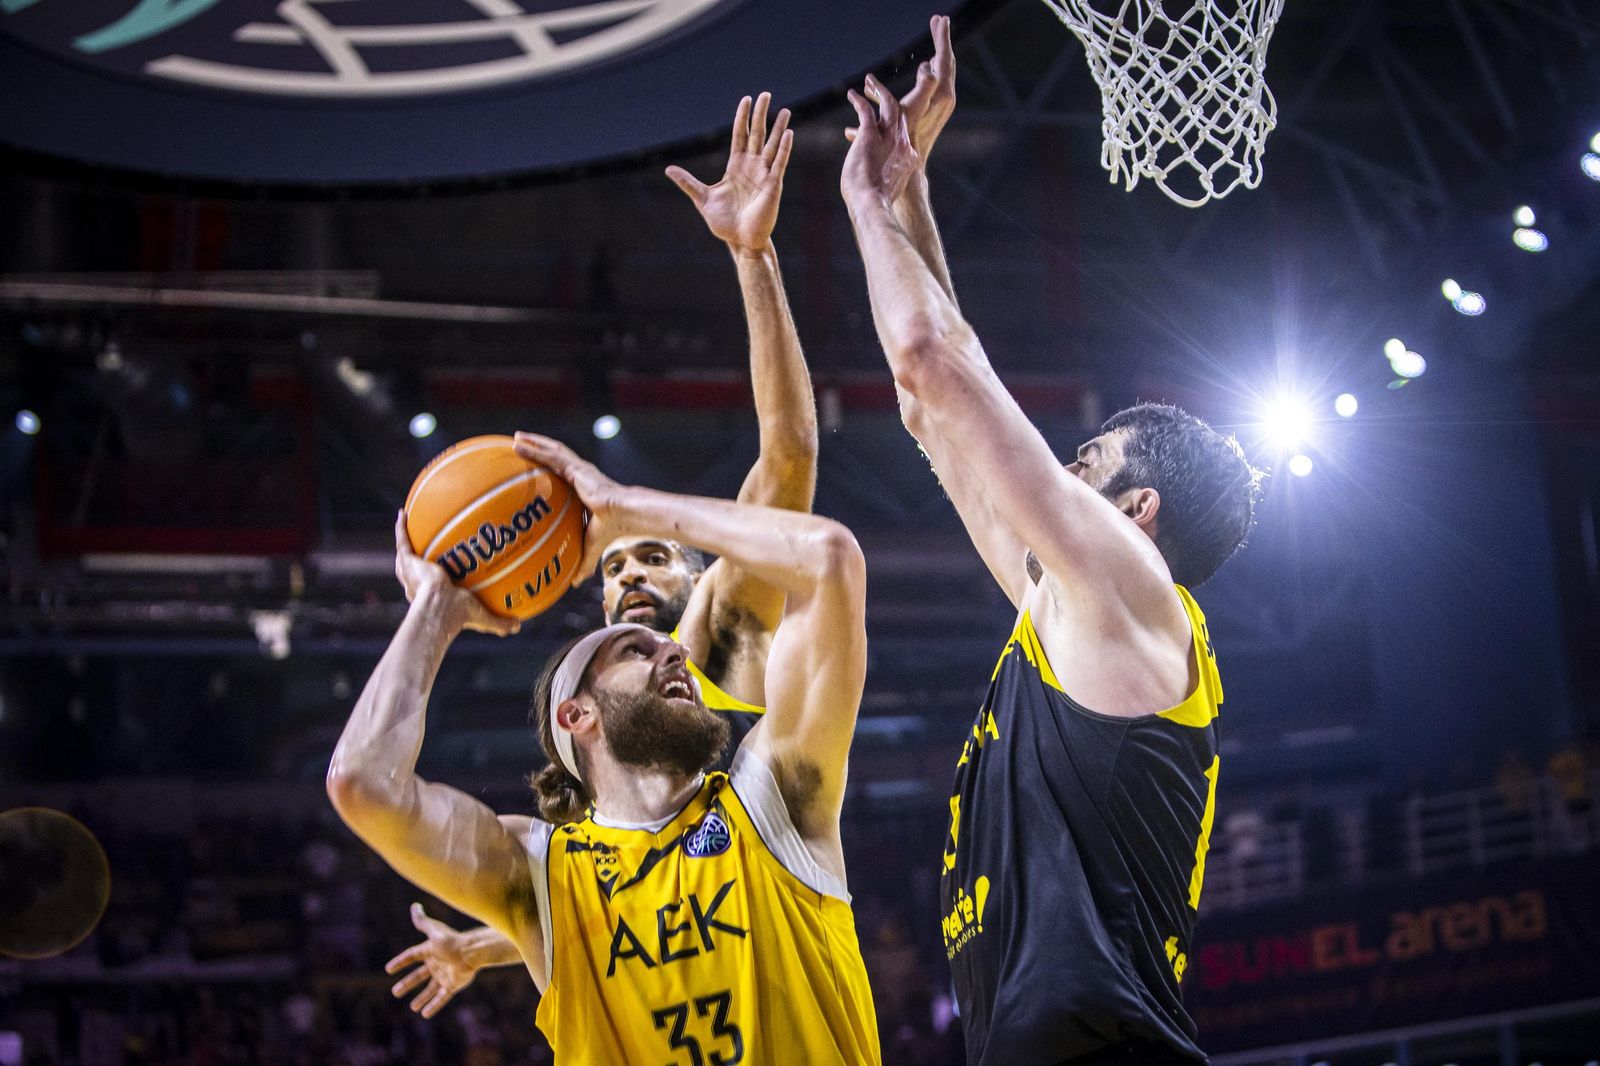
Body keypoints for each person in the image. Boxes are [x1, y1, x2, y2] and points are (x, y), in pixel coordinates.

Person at [839, 17, 1260, 1063]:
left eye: (1088, 461)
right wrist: (910, 196)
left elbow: (932, 362)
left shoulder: (1130, 591)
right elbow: (933, 406)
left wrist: (858, 204)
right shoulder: (1071, 615)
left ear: (1138, 511)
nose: (1062, 472)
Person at [384, 91, 817, 1019]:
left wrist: (753, 255)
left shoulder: (716, 642)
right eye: (614, 566)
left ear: (702, 575)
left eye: (652, 558)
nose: (627, 577)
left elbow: (786, 459)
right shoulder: (610, 753)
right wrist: (485, 944)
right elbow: (631, 891)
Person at [327, 431, 879, 1065]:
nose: (673, 649)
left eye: (664, 644)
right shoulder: (539, 874)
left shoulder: (770, 800)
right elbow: (362, 784)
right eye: (636, 650)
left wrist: (625, 504)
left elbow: (830, 557)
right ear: (577, 713)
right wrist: (437, 611)